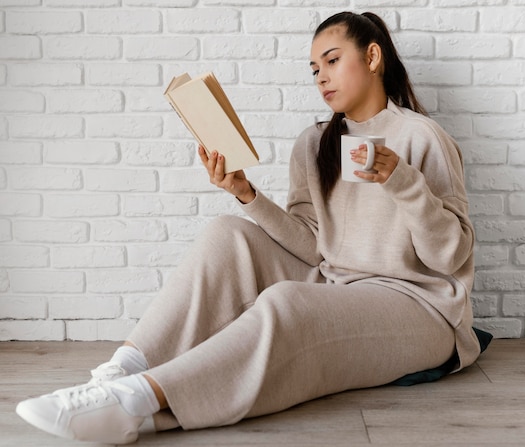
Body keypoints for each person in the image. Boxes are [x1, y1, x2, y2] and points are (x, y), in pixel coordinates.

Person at [16, 11, 483, 444]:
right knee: (227, 232)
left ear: (373, 56)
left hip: (420, 308)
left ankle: (139, 401)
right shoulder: (314, 144)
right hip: (342, 284)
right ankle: (120, 371)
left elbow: (449, 257)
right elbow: (312, 245)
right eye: (313, 68)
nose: (320, 75)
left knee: (286, 302)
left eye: (332, 60)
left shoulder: (422, 138)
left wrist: (400, 180)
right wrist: (246, 194)